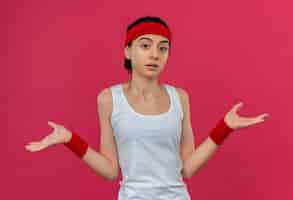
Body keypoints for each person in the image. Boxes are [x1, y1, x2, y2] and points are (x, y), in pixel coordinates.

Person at [25, 16, 269, 200]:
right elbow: (110, 171)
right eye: (145, 45)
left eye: (163, 48)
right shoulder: (109, 99)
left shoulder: (180, 97)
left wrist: (224, 127)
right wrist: (69, 139)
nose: (155, 54)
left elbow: (189, 168)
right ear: (128, 51)